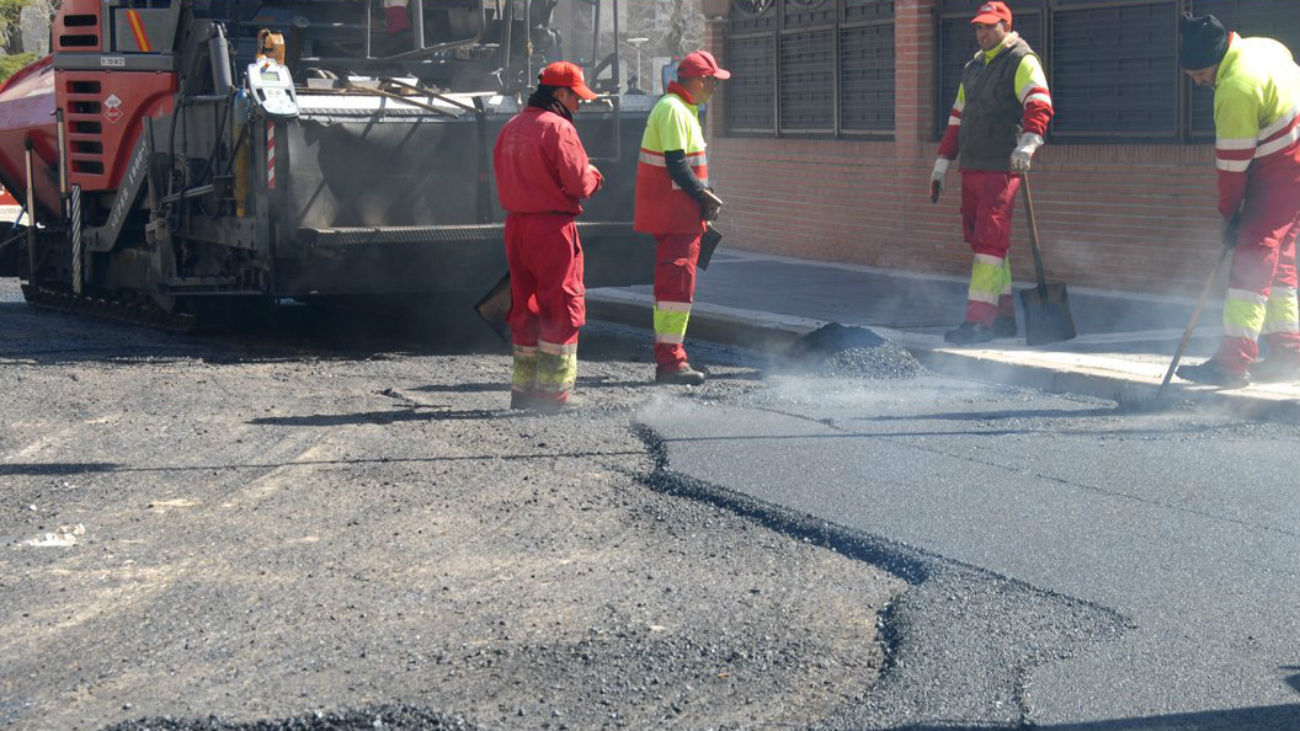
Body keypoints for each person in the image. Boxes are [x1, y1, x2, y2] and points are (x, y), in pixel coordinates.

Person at [1175, 14, 1300, 387]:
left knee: (1252, 253)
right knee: (1279, 257)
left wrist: (1230, 218)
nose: (1198, 82)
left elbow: (1232, 170)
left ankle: (1233, 362)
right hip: (1290, 154)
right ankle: (1288, 352)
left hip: (1287, 163)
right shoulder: (1261, 45)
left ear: (1215, 60)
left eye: (1199, 74)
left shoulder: (1235, 90)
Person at [930, 1, 1054, 345]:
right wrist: (942, 163)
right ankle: (1003, 317)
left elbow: (1039, 103)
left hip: (1001, 166)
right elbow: (957, 118)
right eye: (979, 27)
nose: (983, 32)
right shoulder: (972, 67)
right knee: (983, 243)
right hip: (972, 165)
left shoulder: (1021, 60)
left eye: (989, 26)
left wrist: (1028, 143)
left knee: (989, 238)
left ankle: (978, 321)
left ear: (1005, 26)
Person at [493, 61, 603, 412]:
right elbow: (578, 183)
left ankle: (523, 392)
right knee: (562, 306)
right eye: (576, 97)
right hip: (552, 228)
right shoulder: (559, 129)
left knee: (525, 306)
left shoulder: (511, 127)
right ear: (560, 94)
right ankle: (554, 396)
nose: (579, 105)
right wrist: (595, 176)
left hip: (517, 228)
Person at [634, 50, 729, 384]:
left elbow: (684, 166)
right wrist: (702, 196)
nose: (714, 89)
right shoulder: (674, 109)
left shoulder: (682, 109)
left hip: (681, 215)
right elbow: (676, 164)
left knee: (676, 289)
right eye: (713, 82)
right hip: (676, 217)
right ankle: (671, 362)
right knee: (675, 289)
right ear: (700, 80)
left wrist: (703, 195)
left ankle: (672, 358)